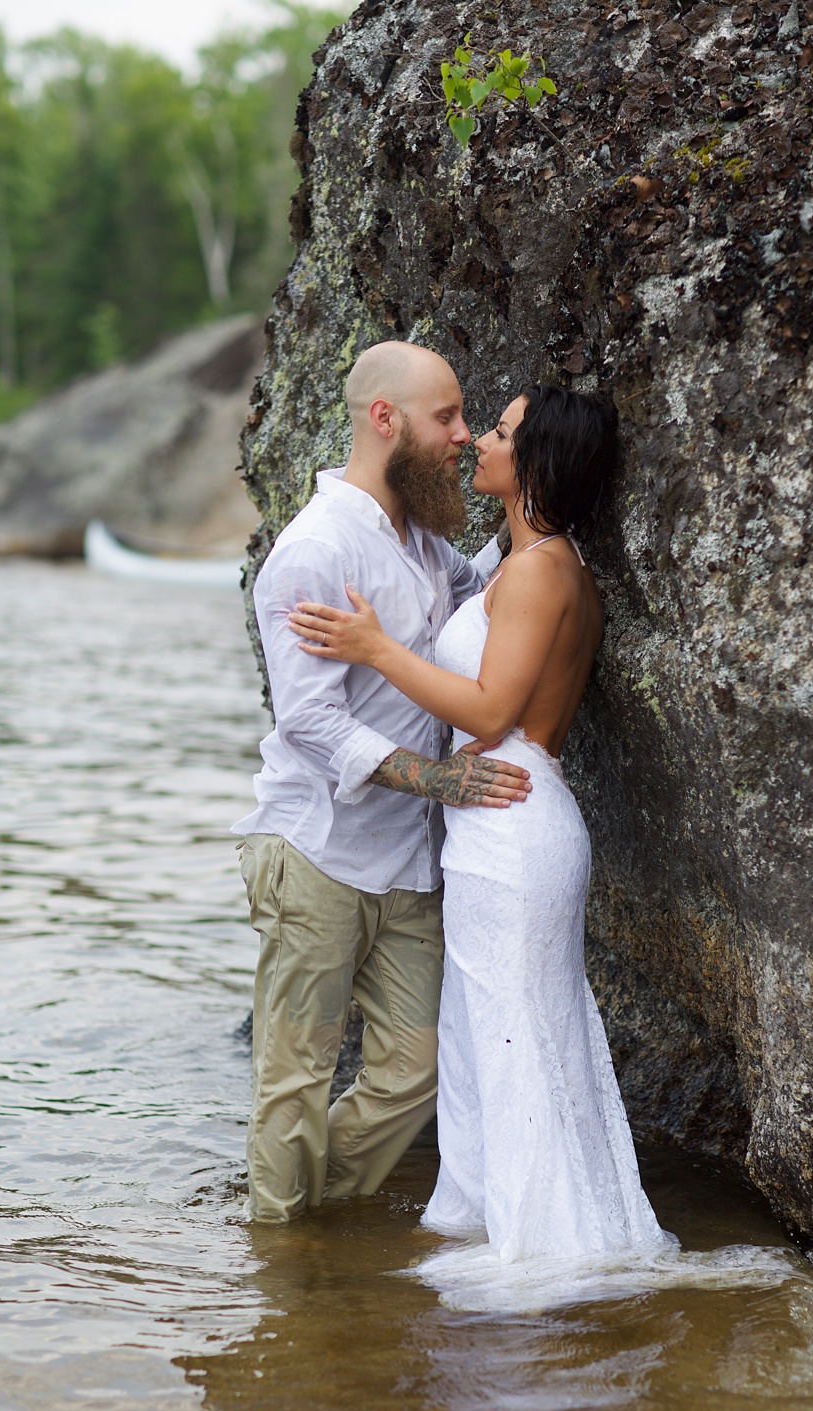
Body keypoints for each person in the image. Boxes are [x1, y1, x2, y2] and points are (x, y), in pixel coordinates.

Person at [289, 383, 668, 1262]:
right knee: (485, 1035)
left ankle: (544, 1251)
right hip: (501, 820)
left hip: (511, 817)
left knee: (517, 1038)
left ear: (535, 464)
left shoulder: (541, 571)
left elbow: (492, 708)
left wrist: (374, 648)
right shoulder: (523, 563)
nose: (480, 443)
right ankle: (490, 1222)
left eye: (498, 432)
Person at [232, 341, 533, 1225]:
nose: (464, 436)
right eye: (447, 417)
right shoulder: (313, 552)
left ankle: (300, 1227)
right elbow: (311, 724)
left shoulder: (424, 537)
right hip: (313, 851)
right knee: (295, 1080)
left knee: (413, 1074)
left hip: (405, 865)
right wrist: (444, 782)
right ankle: (284, 1269)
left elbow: (482, 594)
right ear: (384, 419)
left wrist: (533, 502)